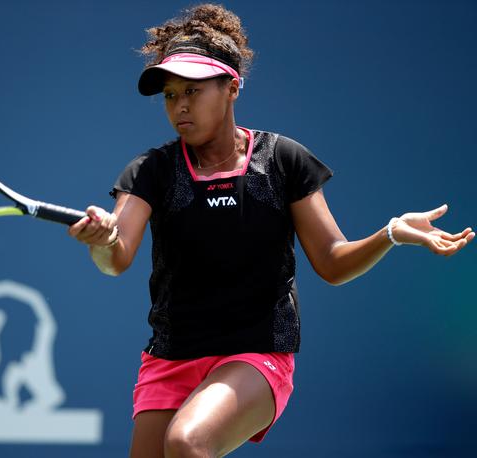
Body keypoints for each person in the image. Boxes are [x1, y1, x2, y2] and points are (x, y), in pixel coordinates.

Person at [68, 4, 474, 457]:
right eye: (169, 94)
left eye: (193, 90)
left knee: (187, 442)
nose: (179, 105)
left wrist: (391, 233)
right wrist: (103, 241)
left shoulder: (282, 161)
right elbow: (116, 257)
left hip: (255, 355)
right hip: (169, 356)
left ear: (231, 88)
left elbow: (332, 262)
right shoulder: (152, 171)